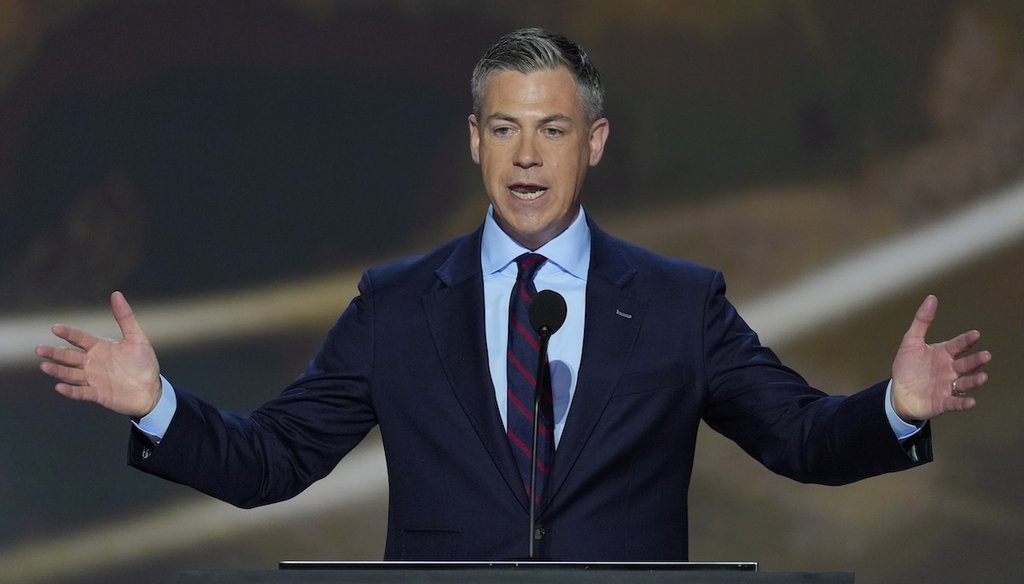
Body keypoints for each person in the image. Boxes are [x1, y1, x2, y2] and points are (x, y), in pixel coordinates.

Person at [36, 28, 990, 561]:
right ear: (475, 143)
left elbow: (802, 440)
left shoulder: (678, 300)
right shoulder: (397, 303)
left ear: (596, 143)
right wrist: (156, 405)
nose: (528, 156)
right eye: (505, 129)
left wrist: (896, 410)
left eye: (553, 130)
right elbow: (273, 462)